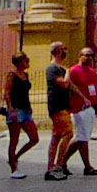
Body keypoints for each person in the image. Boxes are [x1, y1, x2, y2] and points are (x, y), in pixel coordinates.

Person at [66, 45, 97, 176]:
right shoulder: (73, 71)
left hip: (91, 108)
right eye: (87, 55)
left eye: (91, 55)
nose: (89, 58)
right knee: (81, 138)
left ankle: (63, 163)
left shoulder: (92, 71)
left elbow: (96, 89)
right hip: (79, 108)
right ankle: (85, 166)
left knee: (84, 138)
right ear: (80, 56)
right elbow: (69, 88)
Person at [41, 41, 75, 180]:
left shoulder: (60, 68)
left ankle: (50, 167)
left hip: (63, 107)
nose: (65, 51)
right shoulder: (52, 69)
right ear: (57, 52)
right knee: (68, 134)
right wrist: (69, 71)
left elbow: (72, 87)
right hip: (57, 107)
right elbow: (65, 84)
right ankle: (58, 165)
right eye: (63, 49)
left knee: (56, 137)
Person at [2, 53, 39, 177]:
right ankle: (14, 169)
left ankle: (15, 158)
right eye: (25, 60)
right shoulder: (12, 76)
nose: (28, 62)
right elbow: (7, 93)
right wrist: (11, 110)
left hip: (26, 110)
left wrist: (29, 107)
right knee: (14, 140)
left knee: (34, 138)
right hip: (16, 111)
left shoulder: (26, 76)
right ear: (19, 62)